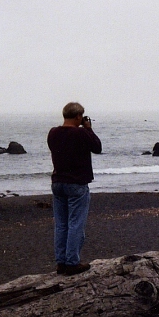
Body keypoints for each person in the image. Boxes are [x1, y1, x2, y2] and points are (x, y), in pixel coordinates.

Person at [47, 102, 102, 276]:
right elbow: (97, 148)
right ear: (78, 116)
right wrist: (89, 129)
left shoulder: (53, 133)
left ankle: (61, 262)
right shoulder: (81, 133)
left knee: (61, 224)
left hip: (58, 182)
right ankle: (72, 262)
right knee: (75, 223)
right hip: (77, 183)